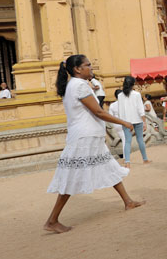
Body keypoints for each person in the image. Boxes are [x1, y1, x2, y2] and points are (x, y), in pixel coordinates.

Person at [44, 55, 145, 234]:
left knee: (109, 165)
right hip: (84, 137)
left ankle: (128, 201)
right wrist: (125, 122)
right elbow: (98, 111)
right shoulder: (80, 85)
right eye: (87, 65)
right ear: (77, 69)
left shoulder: (72, 86)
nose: (91, 68)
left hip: (87, 136)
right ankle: (52, 220)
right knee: (72, 176)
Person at [115, 76, 150, 168]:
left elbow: (120, 110)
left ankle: (127, 162)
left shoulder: (120, 95)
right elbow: (140, 109)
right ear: (133, 84)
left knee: (127, 141)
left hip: (126, 121)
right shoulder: (137, 94)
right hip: (137, 120)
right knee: (140, 140)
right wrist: (144, 122)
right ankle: (145, 159)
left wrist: (122, 121)